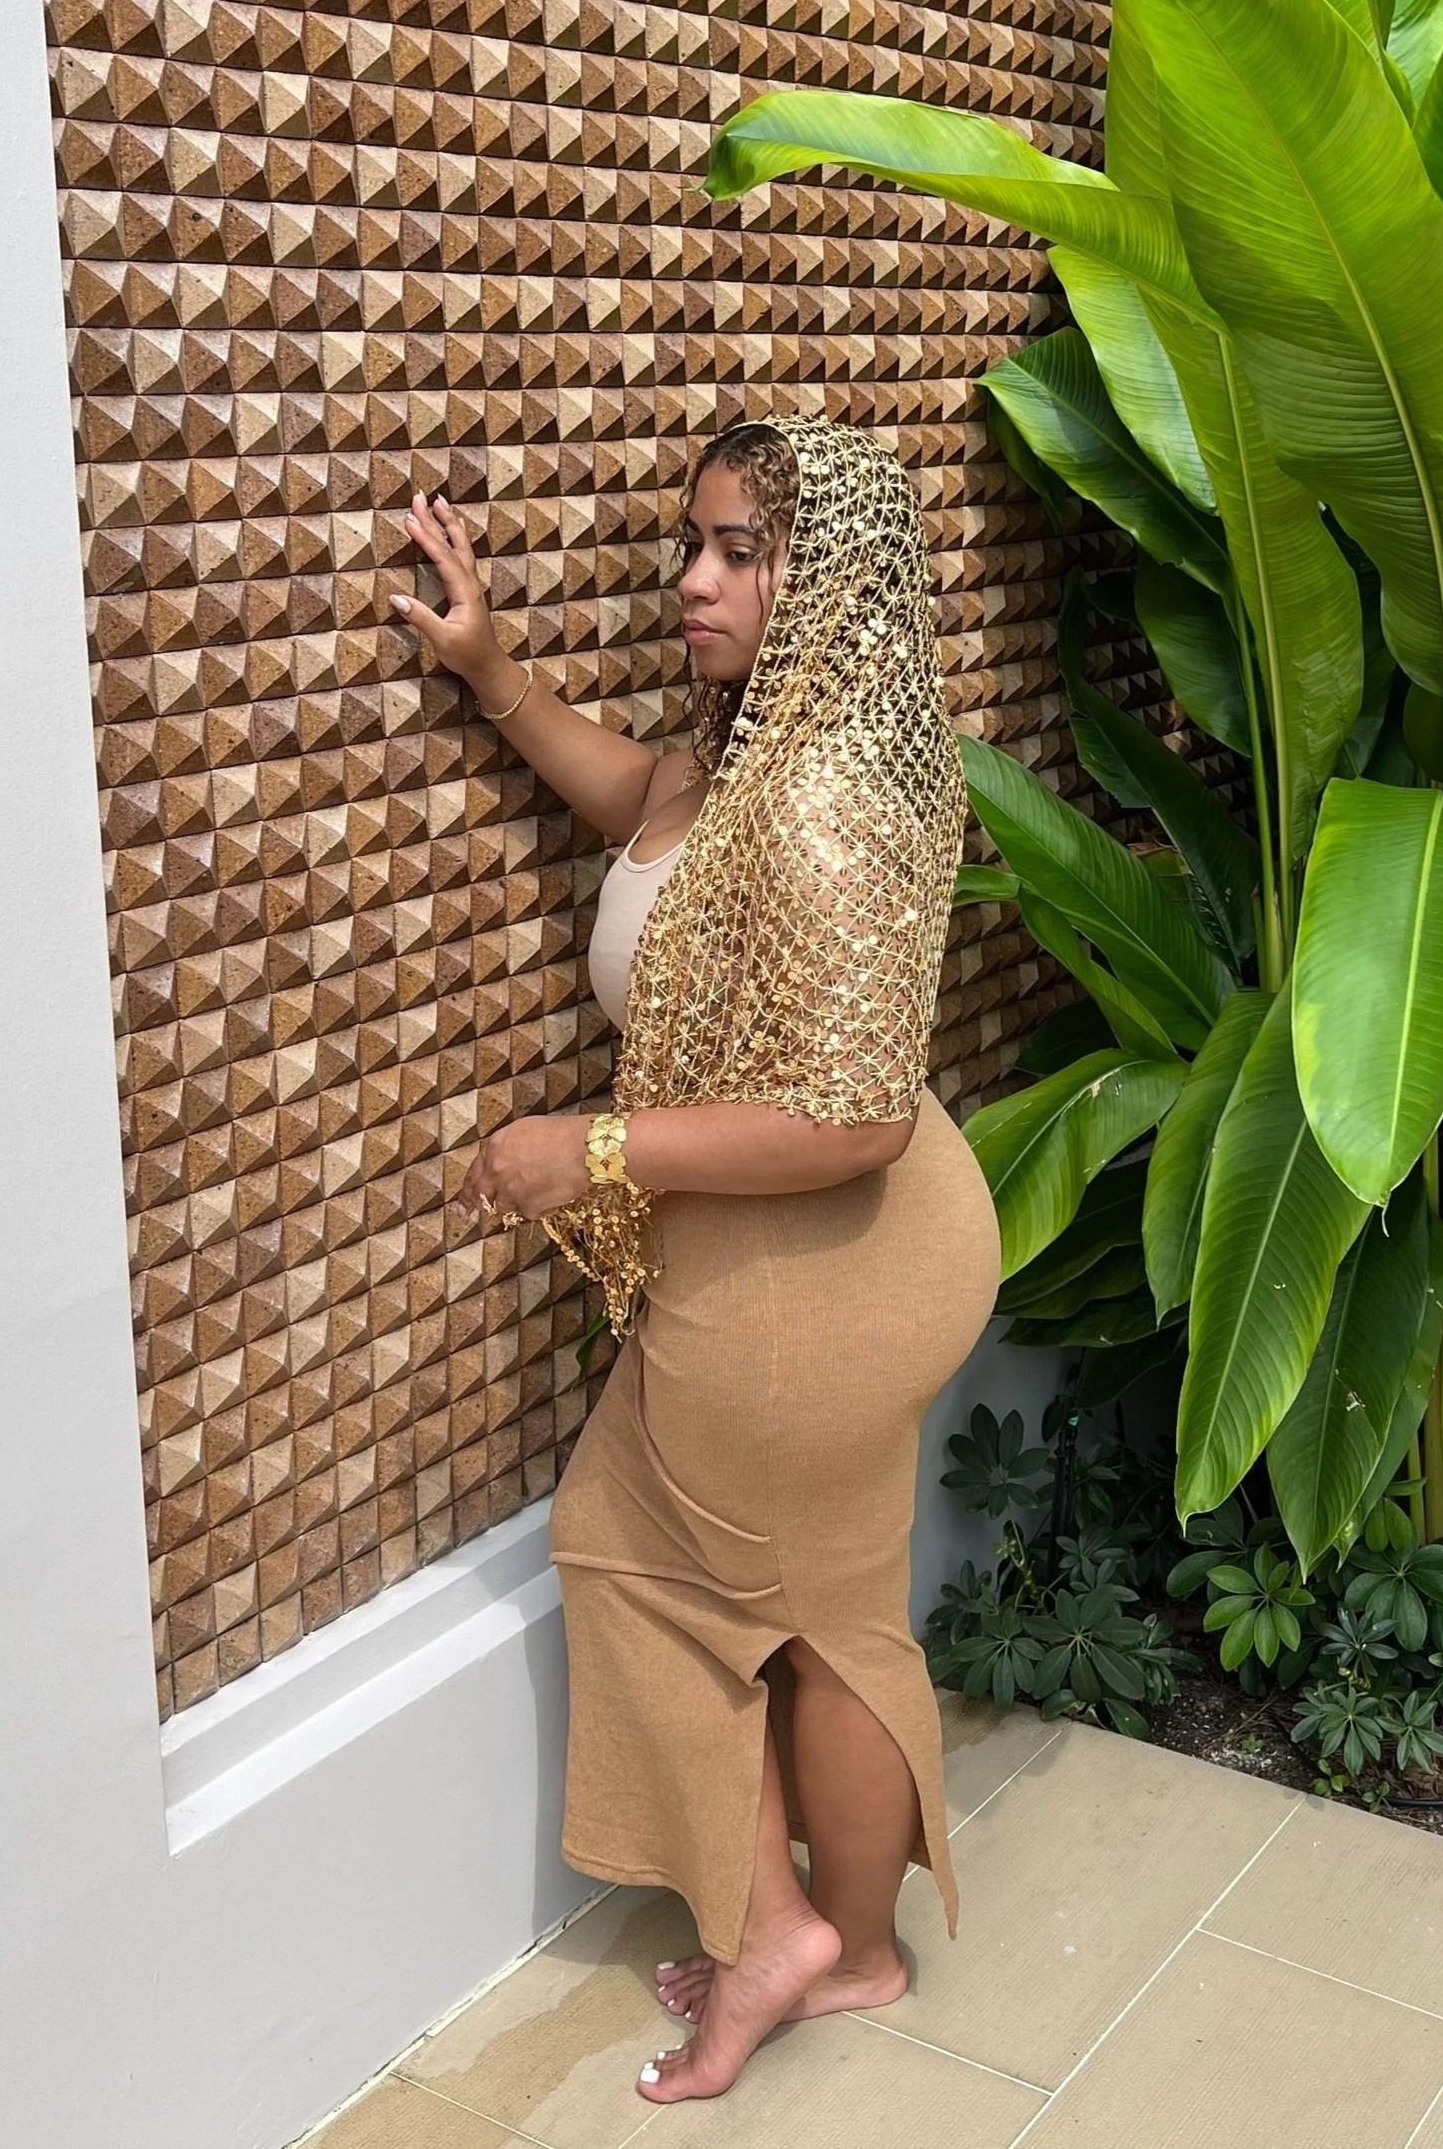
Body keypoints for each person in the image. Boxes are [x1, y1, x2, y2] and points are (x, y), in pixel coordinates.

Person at [389, 415, 1000, 2104]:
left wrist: (585, 1149)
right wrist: (496, 672)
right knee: (829, 1613)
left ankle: (777, 1937)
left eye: (746, 549)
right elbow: (636, 807)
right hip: (817, 1258)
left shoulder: (820, 810)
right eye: (696, 543)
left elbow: (856, 1119)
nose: (696, 580)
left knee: (650, 1558)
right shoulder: (746, 756)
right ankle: (853, 1947)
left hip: (824, 1255)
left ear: (839, 584)